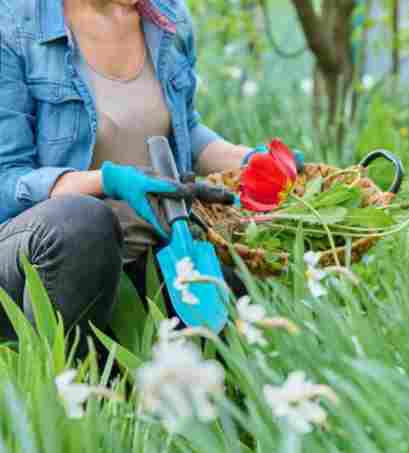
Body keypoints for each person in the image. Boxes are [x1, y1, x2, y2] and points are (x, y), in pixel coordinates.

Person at [0, 0, 302, 343]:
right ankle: (67, 374)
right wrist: (107, 181)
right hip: (36, 259)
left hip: (153, 250)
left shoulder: (166, 18)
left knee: (236, 324)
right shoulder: (13, 25)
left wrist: (253, 162)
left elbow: (186, 131)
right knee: (82, 221)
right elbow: (7, 179)